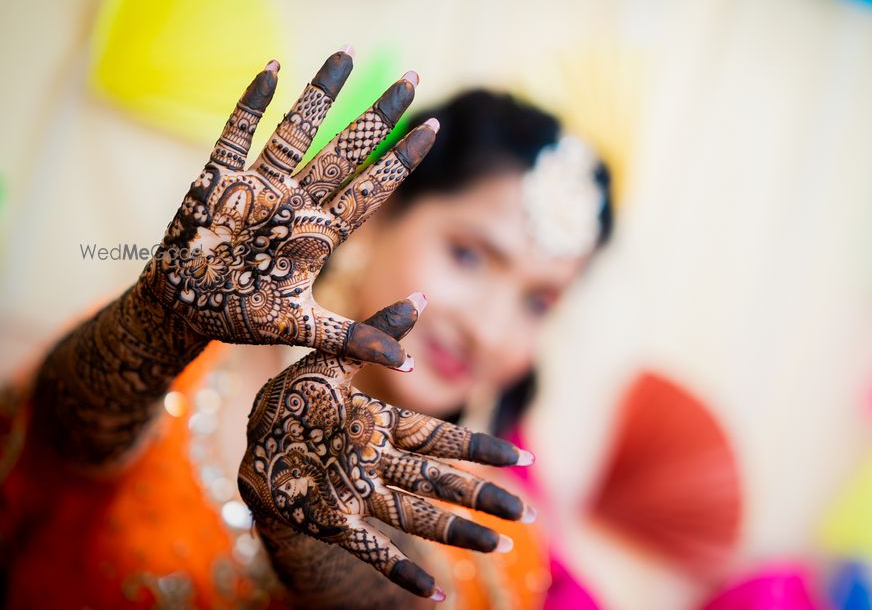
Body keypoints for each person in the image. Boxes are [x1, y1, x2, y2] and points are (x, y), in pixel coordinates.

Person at [0, 48, 613, 609]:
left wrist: (324, 556)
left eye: (537, 302)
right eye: (469, 256)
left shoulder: (492, 529)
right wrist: (146, 334)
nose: (489, 327)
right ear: (375, 218)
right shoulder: (177, 346)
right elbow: (58, 439)